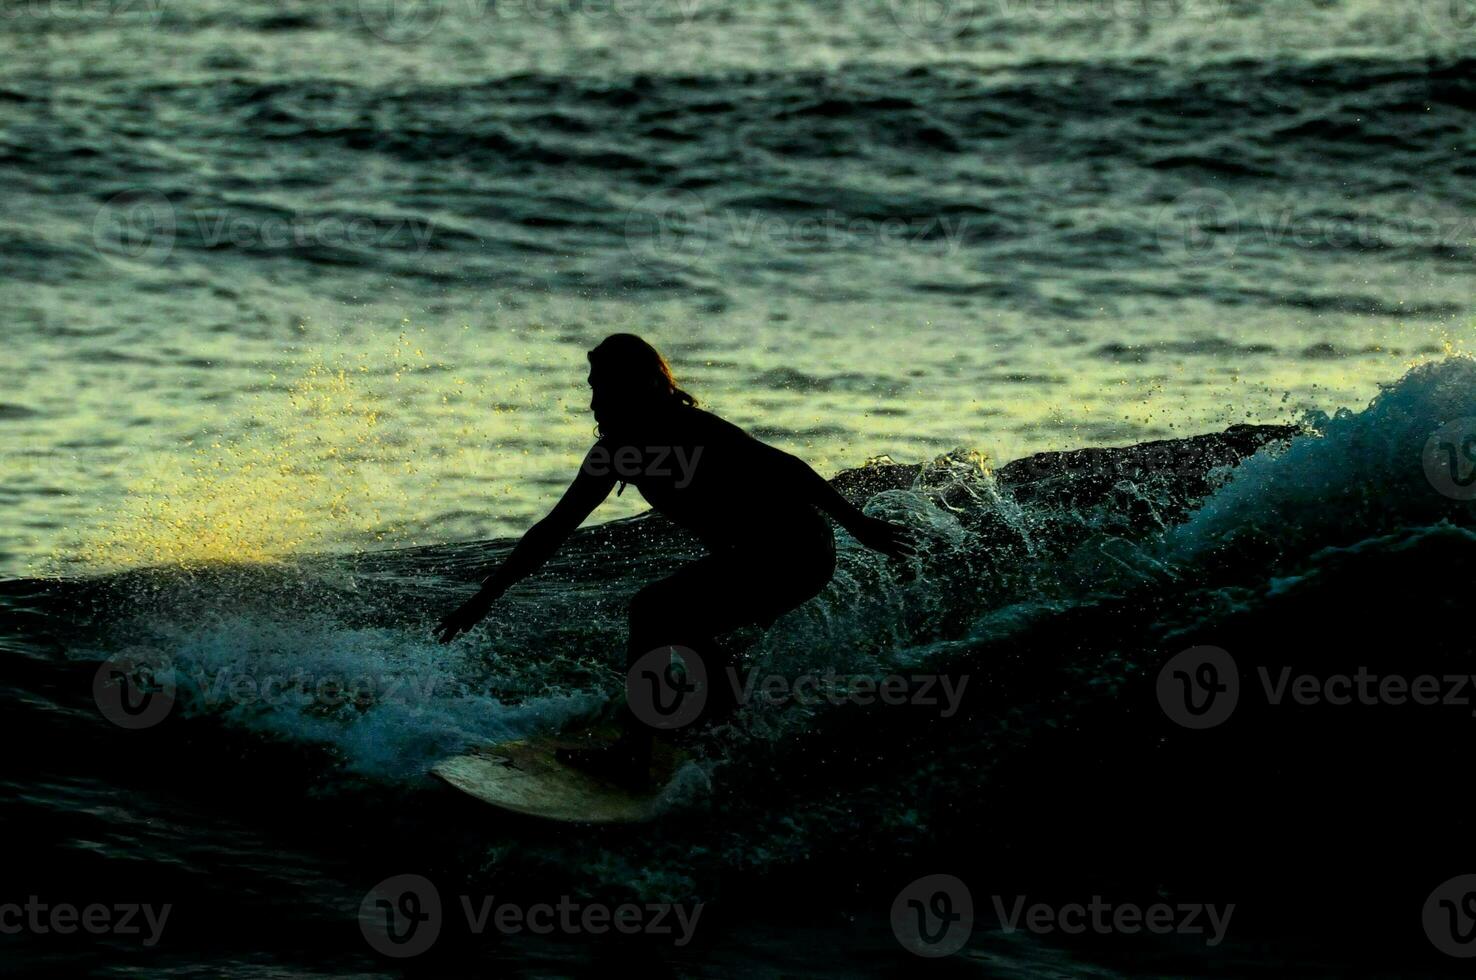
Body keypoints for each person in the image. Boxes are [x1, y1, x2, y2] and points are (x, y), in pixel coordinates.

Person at [435, 334, 916, 786]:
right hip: (755, 556)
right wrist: (485, 597)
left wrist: (858, 525)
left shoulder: (691, 430)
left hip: (796, 550)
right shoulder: (616, 452)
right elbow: (553, 530)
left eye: (603, 389)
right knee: (682, 624)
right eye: (592, 390)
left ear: (638, 387)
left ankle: (635, 754)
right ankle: (728, 720)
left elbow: (787, 468)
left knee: (653, 610)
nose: (593, 403)